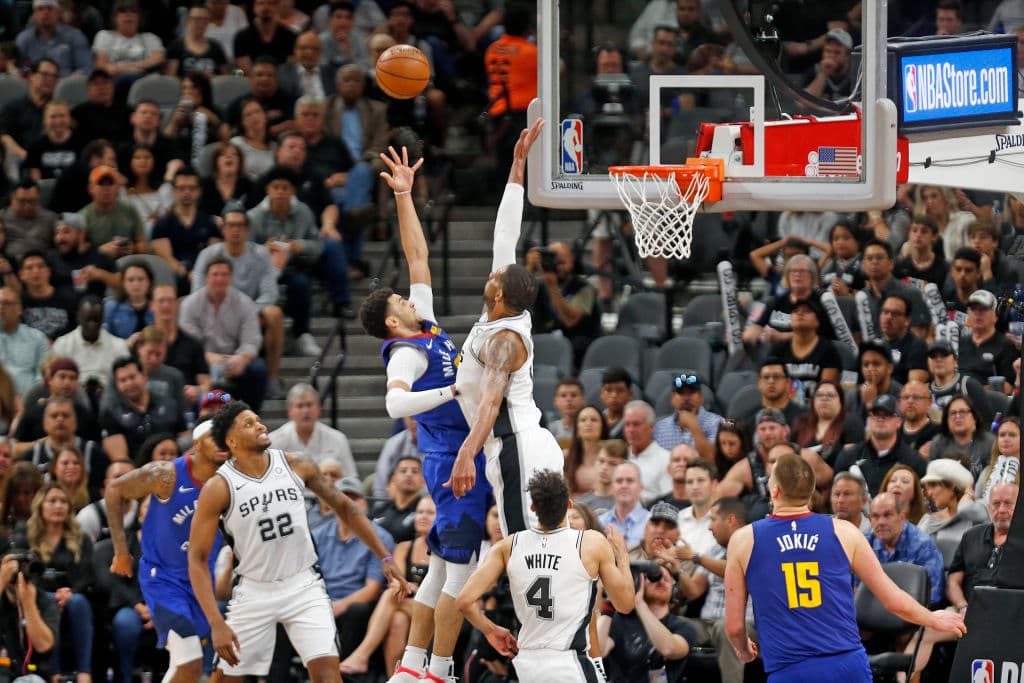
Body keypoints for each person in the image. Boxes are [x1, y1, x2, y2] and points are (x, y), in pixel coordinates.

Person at [357, 141, 500, 683]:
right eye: (401, 303)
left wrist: (404, 197)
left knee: (440, 569)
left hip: (456, 456)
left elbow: (418, 257)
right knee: (459, 577)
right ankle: (439, 670)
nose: (411, 300)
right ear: (394, 323)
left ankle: (411, 668)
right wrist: (454, 392)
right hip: (451, 461)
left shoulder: (427, 327)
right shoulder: (410, 351)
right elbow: (395, 403)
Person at [186, 402, 407, 682]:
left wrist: (385, 557)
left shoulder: (296, 464)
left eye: (258, 420)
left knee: (328, 674)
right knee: (226, 677)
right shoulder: (219, 487)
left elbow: (346, 508)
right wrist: (216, 623)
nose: (261, 425)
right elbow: (197, 557)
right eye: (248, 424)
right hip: (255, 590)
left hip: (303, 585)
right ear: (231, 441)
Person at [723, 453, 966, 681]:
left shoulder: (745, 539)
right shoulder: (844, 532)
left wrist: (744, 650)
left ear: (774, 491)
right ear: (811, 493)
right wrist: (932, 618)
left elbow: (734, 627)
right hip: (847, 664)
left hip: (790, 669)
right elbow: (893, 600)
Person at [456, 470, 636, 683]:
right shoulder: (591, 543)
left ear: (533, 508)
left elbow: (464, 601)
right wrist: (623, 558)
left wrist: (491, 630)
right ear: (569, 505)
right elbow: (625, 605)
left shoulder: (508, 546)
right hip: (569, 661)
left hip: (527, 665)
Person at [103, 420, 227, 683]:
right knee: (190, 660)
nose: (221, 441)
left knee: (189, 667)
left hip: (202, 582)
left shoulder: (231, 481)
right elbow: (114, 490)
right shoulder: (166, 474)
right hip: (163, 579)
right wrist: (121, 551)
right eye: (213, 437)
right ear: (196, 445)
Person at [907, 482, 1018, 673]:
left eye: (1008, 503)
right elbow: (953, 582)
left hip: (1011, 616)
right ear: (988, 506)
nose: (1001, 509)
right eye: (996, 503)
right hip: (966, 613)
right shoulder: (971, 536)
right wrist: (963, 606)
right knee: (925, 631)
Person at [524, 241, 601, 366]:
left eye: (561, 263)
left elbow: (569, 320)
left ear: (572, 261)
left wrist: (552, 286)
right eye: (553, 262)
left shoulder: (585, 289)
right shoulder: (540, 289)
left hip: (578, 353)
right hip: (544, 350)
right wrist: (528, 269)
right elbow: (513, 302)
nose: (557, 267)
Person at [832, 395, 927, 495]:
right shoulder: (849, 456)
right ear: (869, 420)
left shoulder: (914, 461)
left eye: (887, 415)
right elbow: (835, 495)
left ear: (899, 422)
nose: (880, 419)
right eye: (875, 414)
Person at [865, 492, 946, 605]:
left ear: (902, 517)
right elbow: (855, 589)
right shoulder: (865, 544)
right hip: (871, 612)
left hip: (912, 614)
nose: (881, 522)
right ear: (869, 519)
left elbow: (932, 594)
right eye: (875, 516)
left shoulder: (923, 545)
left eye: (888, 515)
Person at [267, 383, 356, 475]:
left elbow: (351, 478)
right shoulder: (274, 442)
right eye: (300, 406)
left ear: (319, 408)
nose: (305, 411)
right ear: (290, 411)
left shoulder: (338, 439)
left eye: (309, 405)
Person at [652, 373, 723, 460]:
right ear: (673, 398)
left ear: (701, 397)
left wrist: (693, 426)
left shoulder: (717, 423)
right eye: (681, 393)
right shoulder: (659, 427)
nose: (686, 398)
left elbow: (713, 458)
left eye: (691, 393)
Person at [958, 289, 1017, 392]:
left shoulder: (1005, 345)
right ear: (968, 313)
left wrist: (977, 392)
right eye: (973, 309)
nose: (977, 314)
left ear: (995, 315)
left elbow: (1009, 387)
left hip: (988, 402)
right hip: (956, 400)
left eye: (983, 309)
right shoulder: (960, 342)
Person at [15, 0, 92, 77]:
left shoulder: (75, 36)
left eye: (50, 8)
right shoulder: (23, 39)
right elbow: (19, 68)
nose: (45, 12)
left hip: (66, 84)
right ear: (34, 15)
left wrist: (70, 82)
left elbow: (85, 68)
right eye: (40, 9)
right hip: (33, 86)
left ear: (58, 13)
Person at [0, 286, 50, 395]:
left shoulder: (37, 338)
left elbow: (43, 376)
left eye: (6, 303)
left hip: (28, 402)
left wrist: (30, 400)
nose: (1, 307)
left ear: (19, 309)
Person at [623, 400, 673, 504]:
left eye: (636, 424)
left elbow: (668, 501)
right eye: (627, 424)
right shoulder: (619, 457)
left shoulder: (666, 460)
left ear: (651, 427)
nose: (631, 430)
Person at [598, 461, 649, 550]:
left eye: (630, 481)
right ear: (612, 488)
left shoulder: (652, 523)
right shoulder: (599, 523)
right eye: (619, 481)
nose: (624, 485)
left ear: (641, 487)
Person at [563, 405, 608, 496]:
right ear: (577, 429)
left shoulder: (612, 457)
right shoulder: (565, 457)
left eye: (594, 420)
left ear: (602, 427)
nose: (588, 423)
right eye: (583, 420)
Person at [976, 417, 1021, 501]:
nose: (1006, 439)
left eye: (1012, 435)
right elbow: (977, 503)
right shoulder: (986, 471)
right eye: (1002, 435)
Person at [600, 367, 634, 438]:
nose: (614, 395)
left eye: (620, 390)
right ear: (601, 393)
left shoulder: (634, 425)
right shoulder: (595, 421)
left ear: (630, 394)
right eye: (608, 390)